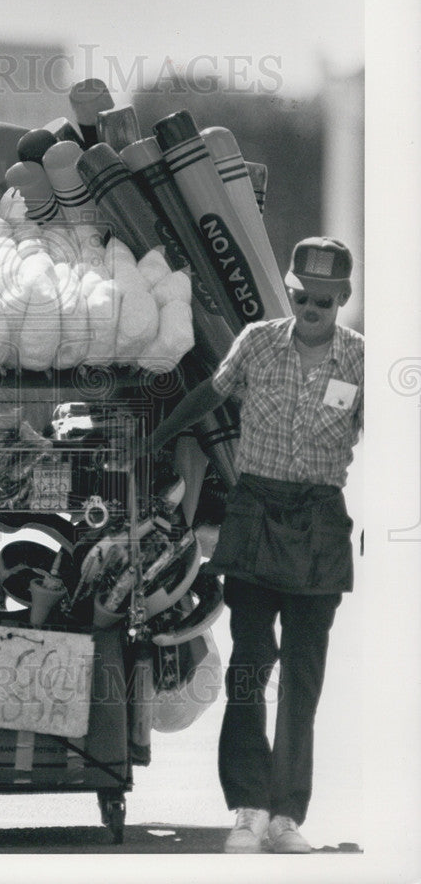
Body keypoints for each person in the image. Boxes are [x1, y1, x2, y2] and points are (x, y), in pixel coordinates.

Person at [154, 236, 363, 854]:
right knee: (250, 664)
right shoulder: (257, 341)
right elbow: (209, 396)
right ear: (291, 290)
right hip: (254, 511)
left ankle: (286, 815)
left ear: (343, 299)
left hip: (320, 521)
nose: (311, 307)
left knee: (304, 677)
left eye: (324, 299)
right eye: (302, 295)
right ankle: (247, 806)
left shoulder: (359, 361)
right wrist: (156, 441)